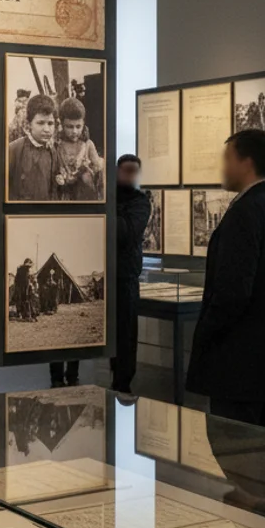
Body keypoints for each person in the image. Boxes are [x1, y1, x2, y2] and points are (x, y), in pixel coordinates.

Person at [187, 130, 265, 429]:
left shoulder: (246, 212)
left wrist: (206, 334)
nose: (223, 167)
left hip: (241, 361)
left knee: (235, 451)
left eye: (228, 159)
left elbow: (233, 291)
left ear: (246, 162)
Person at [113, 154, 150, 393]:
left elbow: (125, 232)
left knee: (125, 336)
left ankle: (122, 385)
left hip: (125, 276)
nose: (130, 176)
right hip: (104, 273)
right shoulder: (107, 195)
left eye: (134, 171)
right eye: (125, 170)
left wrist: (104, 212)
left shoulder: (140, 201)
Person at [8, 94, 61, 201]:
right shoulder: (14, 150)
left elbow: (53, 189)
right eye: (41, 123)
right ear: (28, 124)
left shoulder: (53, 151)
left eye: (50, 123)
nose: (46, 129)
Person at [55, 97, 103, 201]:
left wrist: (88, 169)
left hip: (86, 195)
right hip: (66, 195)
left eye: (78, 126)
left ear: (83, 124)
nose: (74, 131)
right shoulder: (58, 146)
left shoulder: (88, 145)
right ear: (62, 125)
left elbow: (98, 167)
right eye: (69, 126)